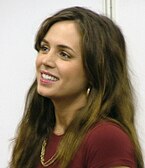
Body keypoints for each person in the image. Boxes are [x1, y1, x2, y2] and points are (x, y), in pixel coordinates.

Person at [10, 6, 144, 168]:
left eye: (64, 54)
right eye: (45, 48)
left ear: (94, 71)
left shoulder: (106, 138)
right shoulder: (35, 135)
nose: (46, 61)